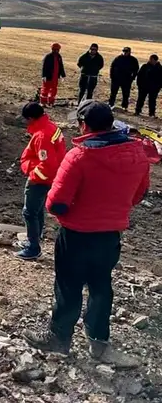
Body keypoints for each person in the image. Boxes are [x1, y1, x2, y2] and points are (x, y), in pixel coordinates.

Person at [24, 101, 148, 368]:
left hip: (77, 234)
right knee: (101, 287)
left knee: (68, 287)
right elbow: (139, 194)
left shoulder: (80, 156)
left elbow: (56, 202)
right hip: (110, 235)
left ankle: (59, 338)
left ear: (84, 125)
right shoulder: (137, 152)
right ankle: (98, 343)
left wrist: (68, 215)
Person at [16, 103, 66, 260]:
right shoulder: (51, 127)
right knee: (37, 211)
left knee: (29, 212)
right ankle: (35, 239)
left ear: (30, 118)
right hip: (52, 178)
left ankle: (33, 247)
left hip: (40, 181)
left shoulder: (42, 136)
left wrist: (32, 175)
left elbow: (46, 165)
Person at [109, 47, 139, 111]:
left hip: (126, 80)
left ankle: (124, 106)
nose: (125, 52)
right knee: (113, 93)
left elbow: (136, 69)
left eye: (126, 51)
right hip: (116, 79)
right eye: (124, 51)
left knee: (125, 94)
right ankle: (111, 104)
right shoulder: (118, 58)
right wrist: (112, 76)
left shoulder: (133, 60)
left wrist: (132, 78)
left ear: (129, 52)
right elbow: (112, 66)